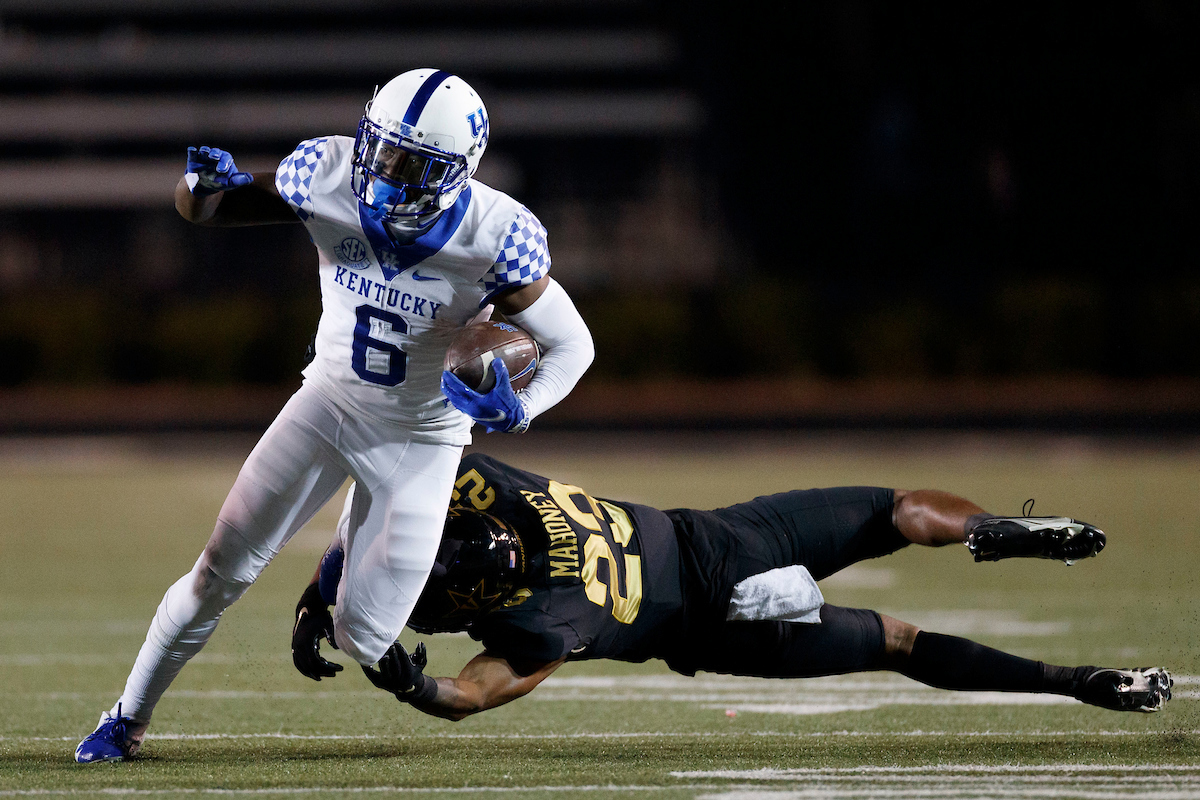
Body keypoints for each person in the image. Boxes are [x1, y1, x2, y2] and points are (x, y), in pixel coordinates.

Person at [75, 69, 595, 763]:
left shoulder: (496, 236)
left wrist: (520, 405)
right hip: (326, 402)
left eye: (409, 164)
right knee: (216, 572)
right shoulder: (325, 176)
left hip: (421, 434)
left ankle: (338, 570)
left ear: (457, 172)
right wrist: (198, 189)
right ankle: (125, 717)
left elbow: (574, 346)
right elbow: (203, 211)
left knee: (365, 637)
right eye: (379, 149)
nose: (383, 172)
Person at [291, 453, 1171, 721]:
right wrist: (325, 588)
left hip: (716, 624)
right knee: (899, 508)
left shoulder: (547, 618)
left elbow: (472, 693)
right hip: (722, 535)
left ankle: (1081, 684)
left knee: (900, 644)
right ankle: (985, 529)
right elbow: (411, 461)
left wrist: (403, 677)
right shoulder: (501, 495)